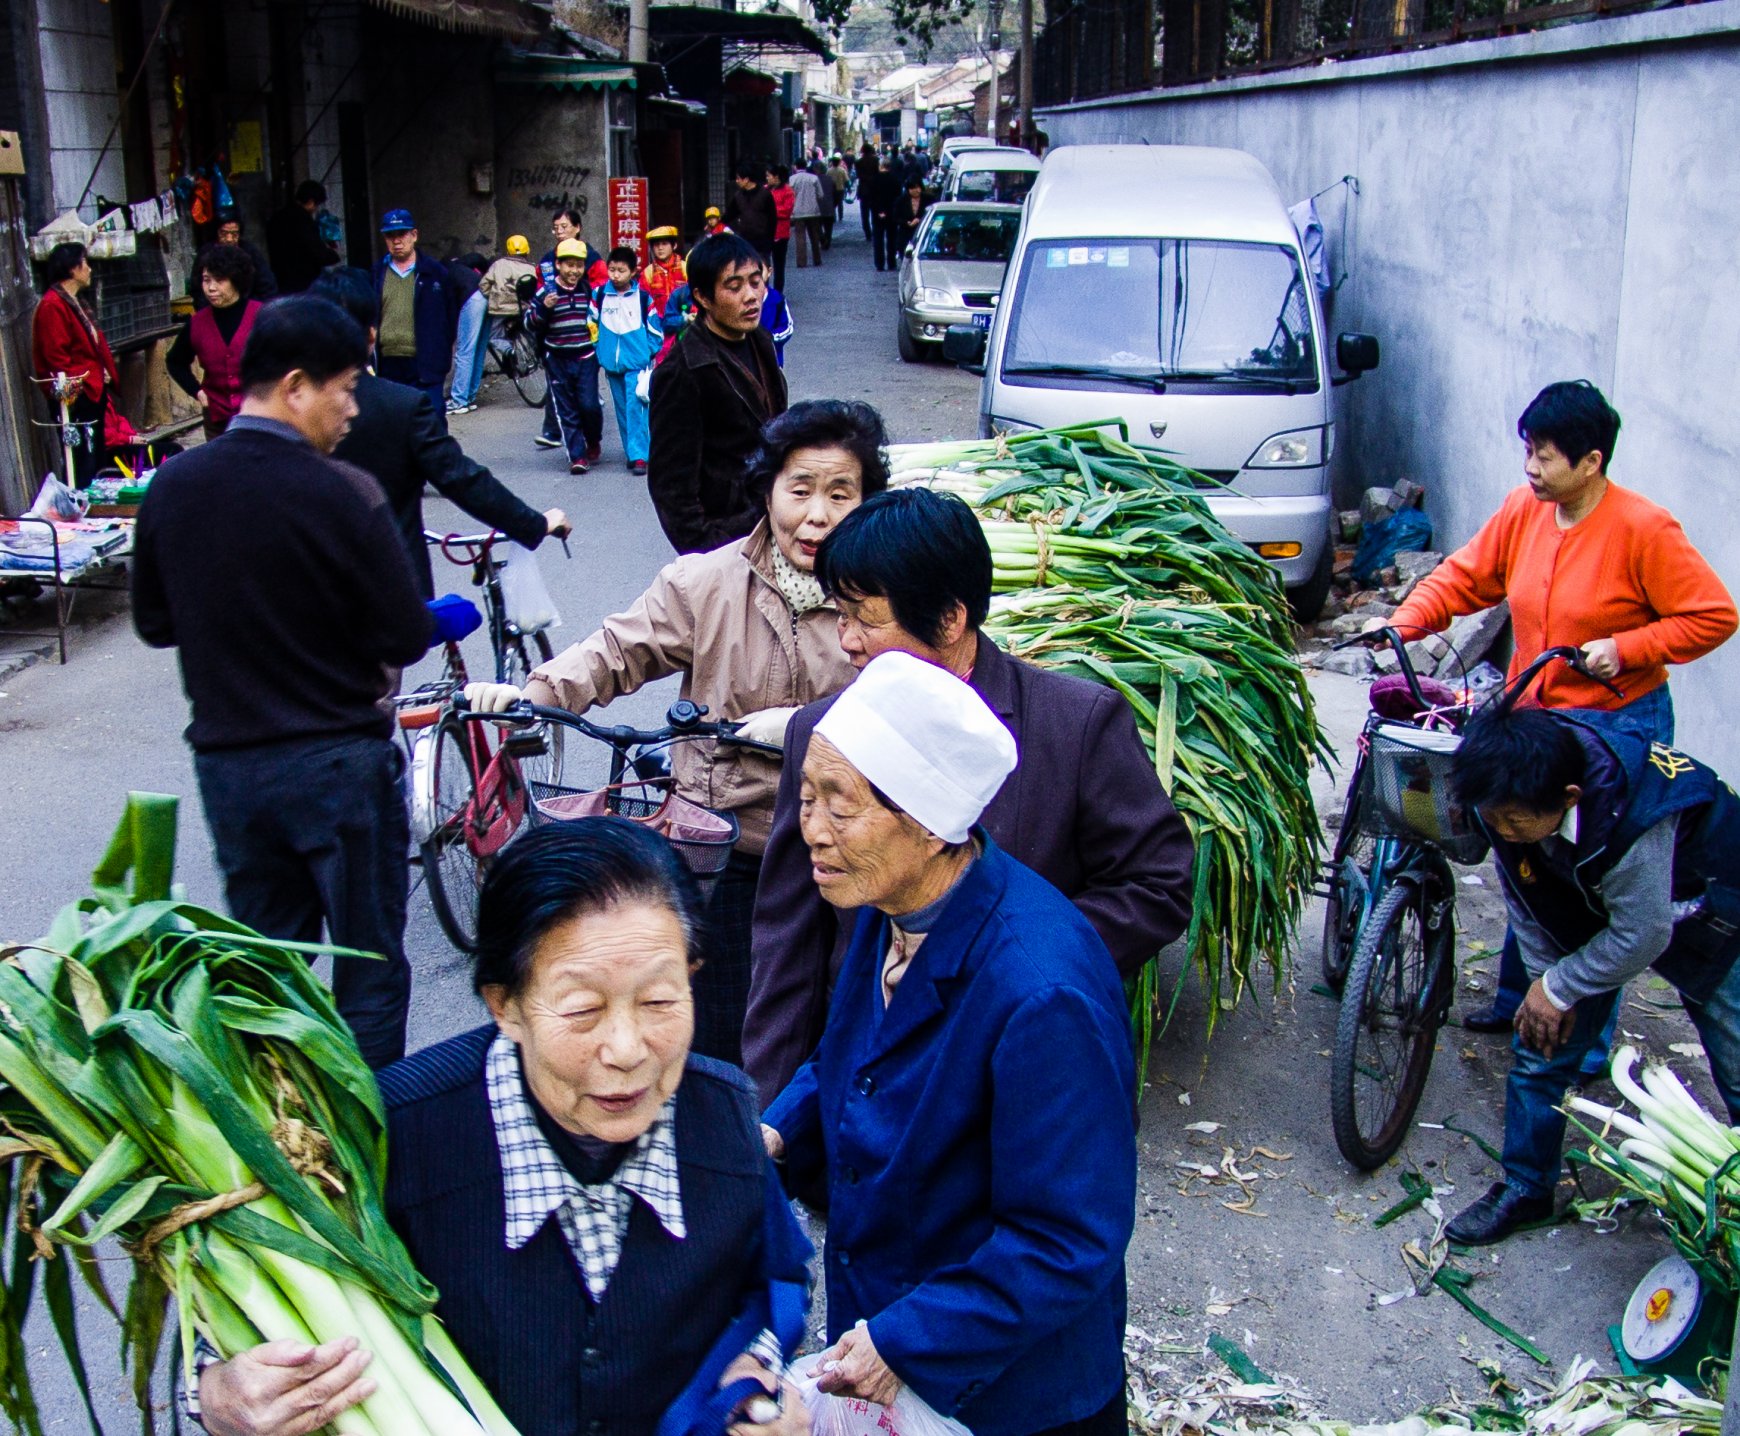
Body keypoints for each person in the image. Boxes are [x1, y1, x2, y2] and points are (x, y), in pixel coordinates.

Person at [193, 820, 815, 1436]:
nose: (627, 1050)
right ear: (504, 1005)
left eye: (658, 1001)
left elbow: (775, 1282)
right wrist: (220, 1396)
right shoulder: (392, 1137)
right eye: (582, 1009)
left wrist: (757, 1378)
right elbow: (247, 1322)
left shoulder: (723, 1118)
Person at [761, 651, 1137, 1436]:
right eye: (806, 797)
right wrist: (781, 1124)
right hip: (896, 1330)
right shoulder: (889, 902)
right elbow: (849, 1052)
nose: (812, 833)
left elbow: (1067, 1236)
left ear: (930, 825)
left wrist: (905, 1340)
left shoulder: (1042, 994)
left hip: (1010, 1395)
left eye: (840, 805)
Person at [744, 487, 1195, 1106]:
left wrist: (1015, 966)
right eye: (838, 615)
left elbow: (1156, 886)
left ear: (951, 619)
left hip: (1007, 1076)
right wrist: (771, 1110)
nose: (845, 640)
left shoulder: (1075, 724)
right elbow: (789, 938)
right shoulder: (821, 734)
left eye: (866, 619)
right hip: (861, 1075)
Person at [468, 401, 886, 1065]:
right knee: (718, 1039)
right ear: (768, 488)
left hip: (842, 852)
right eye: (800, 489)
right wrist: (532, 696)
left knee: (839, 1033)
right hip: (729, 848)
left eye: (842, 493)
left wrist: (807, 729)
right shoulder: (704, 583)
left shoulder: (882, 600)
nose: (817, 515)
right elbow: (615, 649)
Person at [1386, 381, 1737, 1051]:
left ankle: (1581, 1041)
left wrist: (1628, 647)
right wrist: (1406, 620)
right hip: (1536, 716)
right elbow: (1466, 577)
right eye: (1528, 452)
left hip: (1615, 725)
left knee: (1589, 890)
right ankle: (1523, 1002)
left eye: (1545, 456)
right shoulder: (1524, 512)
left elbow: (1714, 616)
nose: (1531, 469)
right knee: (1526, 863)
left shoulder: (1643, 528)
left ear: (1591, 461)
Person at [131, 296, 432, 1068]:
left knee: (269, 975)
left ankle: (290, 1148)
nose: (354, 409)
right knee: (367, 972)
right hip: (341, 769)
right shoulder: (345, 494)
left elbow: (156, 623)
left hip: (233, 773)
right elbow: (404, 634)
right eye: (346, 388)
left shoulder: (173, 487)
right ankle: (372, 1149)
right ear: (296, 386)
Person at [1441, 708, 1740, 1245]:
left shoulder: (1635, 819)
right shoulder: (1507, 797)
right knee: (1539, 1048)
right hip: (1602, 898)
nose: (1505, 832)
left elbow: (1643, 936)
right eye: (1495, 818)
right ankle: (1527, 1189)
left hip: (1712, 910)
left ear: (1571, 797)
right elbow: (1522, 893)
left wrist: (1559, 985)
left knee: (1738, 1063)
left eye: (1515, 822)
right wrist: (1544, 986)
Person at [312, 268, 567, 597]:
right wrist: (534, 523)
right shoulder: (402, 406)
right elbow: (461, 478)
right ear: (372, 334)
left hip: (313, 600)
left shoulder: (290, 413)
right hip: (392, 596)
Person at [647, 233, 788, 554]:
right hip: (724, 537)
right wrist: (705, 551)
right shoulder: (682, 371)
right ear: (704, 297)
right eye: (734, 287)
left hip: (770, 520)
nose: (751, 296)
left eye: (756, 282)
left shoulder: (760, 340)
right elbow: (671, 486)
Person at [31, 241, 124, 486]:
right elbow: (56, 359)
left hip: (91, 391)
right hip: (77, 396)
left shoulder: (77, 303)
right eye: (86, 263)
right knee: (81, 460)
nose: (90, 269)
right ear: (72, 268)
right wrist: (86, 380)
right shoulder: (53, 305)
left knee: (95, 457)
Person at [371, 208, 461, 429]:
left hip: (425, 364)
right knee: (393, 425)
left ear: (414, 235)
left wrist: (440, 354)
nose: (397, 241)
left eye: (402, 234)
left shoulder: (435, 274)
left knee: (432, 422)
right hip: (389, 363)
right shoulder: (376, 273)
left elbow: (450, 317)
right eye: (391, 236)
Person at [166, 243, 263, 438]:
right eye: (206, 280)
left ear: (236, 280)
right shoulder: (197, 323)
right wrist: (198, 392)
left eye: (219, 280)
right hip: (217, 419)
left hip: (259, 415)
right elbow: (175, 361)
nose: (211, 288)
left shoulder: (262, 316)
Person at [534, 208, 608, 456]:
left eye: (564, 226)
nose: (560, 232)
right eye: (556, 227)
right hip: (555, 349)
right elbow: (534, 309)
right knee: (563, 400)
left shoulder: (591, 266)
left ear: (577, 228)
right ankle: (574, 452)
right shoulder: (546, 263)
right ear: (558, 264)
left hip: (585, 351)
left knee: (588, 404)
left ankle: (592, 437)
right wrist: (544, 307)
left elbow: (603, 291)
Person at [592, 246, 664, 477]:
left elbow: (655, 330)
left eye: (621, 270)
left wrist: (648, 352)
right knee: (622, 408)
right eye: (612, 270)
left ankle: (639, 455)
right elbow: (591, 325)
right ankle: (632, 451)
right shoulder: (600, 295)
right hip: (611, 365)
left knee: (636, 407)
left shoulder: (643, 298)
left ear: (633, 272)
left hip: (636, 363)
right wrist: (598, 349)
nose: (615, 275)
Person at [477, 234, 538, 387]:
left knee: (493, 336)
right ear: (527, 250)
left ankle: (509, 351)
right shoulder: (532, 268)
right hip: (522, 309)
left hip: (501, 310)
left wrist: (491, 296)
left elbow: (484, 285)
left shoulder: (499, 265)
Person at [266, 180, 339, 294]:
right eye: (316, 205)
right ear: (310, 202)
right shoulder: (303, 220)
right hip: (303, 282)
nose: (315, 209)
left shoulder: (277, 217)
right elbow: (315, 250)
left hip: (281, 280)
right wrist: (332, 255)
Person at [193, 207, 277, 307]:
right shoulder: (206, 252)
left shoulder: (250, 252)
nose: (229, 239)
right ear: (217, 232)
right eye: (224, 233)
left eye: (234, 234)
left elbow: (267, 287)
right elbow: (196, 288)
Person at [446, 252, 489, 415]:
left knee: (464, 351)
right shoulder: (463, 265)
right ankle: (469, 397)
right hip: (486, 295)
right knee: (479, 349)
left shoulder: (442, 271)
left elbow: (449, 307)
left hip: (471, 298)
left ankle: (458, 400)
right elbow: (479, 257)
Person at [723, 163, 777, 265]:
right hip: (745, 240)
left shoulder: (765, 194)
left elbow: (772, 219)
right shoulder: (738, 196)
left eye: (739, 178)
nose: (737, 181)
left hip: (762, 241)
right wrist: (716, 223)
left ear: (746, 179)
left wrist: (769, 241)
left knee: (762, 270)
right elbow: (729, 215)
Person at [641, 226, 687, 316]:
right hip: (658, 325)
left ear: (674, 245)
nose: (660, 248)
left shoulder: (685, 267)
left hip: (685, 322)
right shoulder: (648, 272)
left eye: (664, 243)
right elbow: (645, 301)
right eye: (656, 244)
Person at [869, 156, 902, 273]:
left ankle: (879, 263)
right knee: (892, 238)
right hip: (892, 212)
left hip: (877, 213)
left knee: (878, 239)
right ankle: (891, 262)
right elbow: (898, 197)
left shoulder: (873, 179)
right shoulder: (895, 179)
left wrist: (879, 211)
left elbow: (871, 198)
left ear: (880, 166)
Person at [788, 164, 823, 270]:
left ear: (795, 167)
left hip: (798, 212)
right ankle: (817, 259)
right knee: (814, 236)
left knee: (800, 237)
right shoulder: (814, 178)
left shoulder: (792, 179)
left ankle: (801, 261)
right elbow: (820, 195)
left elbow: (790, 195)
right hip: (813, 211)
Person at [766, 166, 795, 292]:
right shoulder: (765, 190)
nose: (766, 178)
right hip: (765, 232)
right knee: (764, 263)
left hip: (781, 232)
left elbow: (787, 210)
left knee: (779, 264)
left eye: (768, 175)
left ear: (776, 177)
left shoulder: (787, 191)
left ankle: (778, 291)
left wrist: (770, 211)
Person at [761, 282, 794, 368]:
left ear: (769, 272)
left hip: (773, 362)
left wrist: (767, 338)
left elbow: (787, 327)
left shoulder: (777, 299)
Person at [855, 144, 879, 241]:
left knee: (864, 214)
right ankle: (875, 231)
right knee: (875, 212)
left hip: (863, 189)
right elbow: (878, 174)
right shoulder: (876, 161)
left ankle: (867, 233)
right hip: (874, 189)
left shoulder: (858, 162)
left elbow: (858, 176)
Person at [811, 161, 836, 250]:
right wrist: (834, 204)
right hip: (829, 207)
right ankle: (827, 241)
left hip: (817, 207)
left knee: (817, 226)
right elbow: (836, 193)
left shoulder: (813, 179)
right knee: (828, 227)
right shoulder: (830, 179)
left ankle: (822, 239)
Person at [827, 154, 851, 225]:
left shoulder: (829, 171)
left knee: (832, 203)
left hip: (832, 190)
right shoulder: (842, 170)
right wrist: (849, 188)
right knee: (840, 203)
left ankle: (833, 217)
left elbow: (827, 180)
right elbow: (846, 180)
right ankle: (840, 216)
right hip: (840, 189)